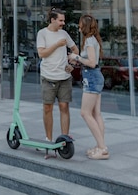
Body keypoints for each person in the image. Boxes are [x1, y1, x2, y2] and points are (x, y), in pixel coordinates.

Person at [68, 14, 108, 160]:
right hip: (95, 75)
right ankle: (100, 146)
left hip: (91, 76)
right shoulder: (92, 39)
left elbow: (91, 62)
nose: (78, 27)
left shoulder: (90, 41)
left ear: (84, 25)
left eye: (79, 24)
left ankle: (102, 148)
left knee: (85, 113)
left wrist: (75, 57)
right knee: (96, 114)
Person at [36, 8, 79, 144]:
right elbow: (41, 54)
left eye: (64, 20)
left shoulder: (64, 34)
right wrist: (56, 45)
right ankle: (48, 139)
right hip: (48, 77)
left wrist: (73, 63)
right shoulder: (42, 33)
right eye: (60, 20)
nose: (63, 23)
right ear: (53, 20)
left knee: (64, 107)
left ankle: (64, 139)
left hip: (64, 77)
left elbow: (75, 49)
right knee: (47, 108)